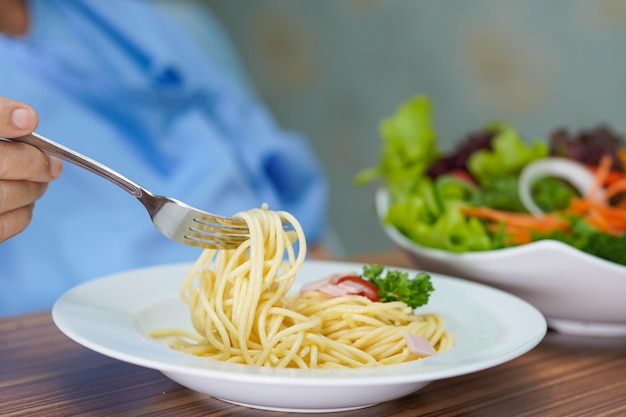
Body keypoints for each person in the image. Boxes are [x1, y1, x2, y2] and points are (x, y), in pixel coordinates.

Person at [0, 0, 330, 316]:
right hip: (67, 336)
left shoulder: (140, 17)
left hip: (281, 280)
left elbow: (257, 147)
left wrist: (313, 256)